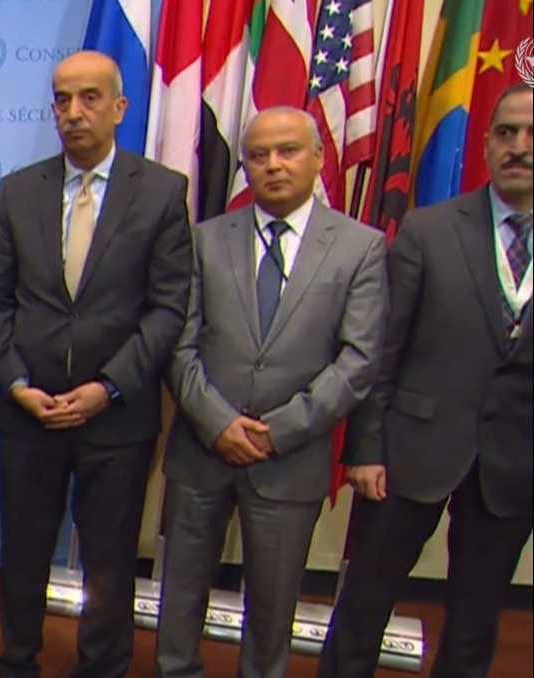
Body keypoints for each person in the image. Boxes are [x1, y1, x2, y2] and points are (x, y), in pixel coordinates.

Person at [0, 50, 193, 678]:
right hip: (29, 412)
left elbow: (168, 308)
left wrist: (110, 387)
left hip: (116, 418)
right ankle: (18, 661)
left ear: (119, 108)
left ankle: (102, 666)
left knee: (110, 560)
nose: (74, 112)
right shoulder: (19, 190)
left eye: (90, 98)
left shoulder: (161, 192)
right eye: (63, 99)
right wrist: (15, 382)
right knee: (24, 554)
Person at [154, 107, 386, 678]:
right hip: (203, 449)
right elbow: (178, 344)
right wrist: (217, 423)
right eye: (258, 156)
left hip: (290, 458)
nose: (273, 165)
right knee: (179, 597)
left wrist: (276, 432)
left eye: (288, 151)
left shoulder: (360, 247)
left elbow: (357, 361)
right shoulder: (205, 239)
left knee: (272, 609)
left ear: (318, 157)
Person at [319, 84, 533, 678]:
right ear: (486, 145)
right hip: (410, 453)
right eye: (506, 132)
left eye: (531, 134)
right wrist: (366, 448)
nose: (519, 146)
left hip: (514, 464)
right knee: (364, 608)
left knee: (474, 623)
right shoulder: (429, 230)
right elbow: (382, 350)